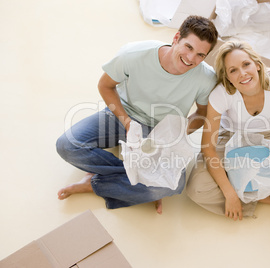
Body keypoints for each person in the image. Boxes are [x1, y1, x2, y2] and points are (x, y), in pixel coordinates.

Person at [56, 15, 219, 214]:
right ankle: (139, 185)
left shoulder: (206, 77)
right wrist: (127, 123)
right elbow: (105, 86)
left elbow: (201, 114)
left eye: (201, 55)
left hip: (158, 131)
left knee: (173, 185)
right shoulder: (134, 53)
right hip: (121, 115)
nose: (191, 59)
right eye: (189, 47)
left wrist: (171, 134)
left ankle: (95, 183)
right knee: (67, 145)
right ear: (176, 38)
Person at [186, 41, 270, 221]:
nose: (243, 74)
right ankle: (265, 198)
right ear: (227, 78)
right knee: (197, 189)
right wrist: (230, 194)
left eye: (246, 64)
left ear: (257, 64)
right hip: (231, 137)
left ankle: (247, 183)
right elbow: (208, 148)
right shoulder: (221, 94)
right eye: (233, 70)